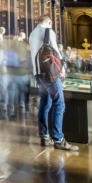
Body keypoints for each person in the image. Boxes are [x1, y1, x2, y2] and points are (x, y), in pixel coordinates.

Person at [28, 16, 77, 151]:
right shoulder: (48, 32)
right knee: (59, 104)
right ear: (49, 22)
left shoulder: (32, 33)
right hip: (50, 74)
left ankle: (44, 135)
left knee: (45, 103)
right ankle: (58, 139)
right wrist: (62, 69)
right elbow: (56, 52)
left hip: (38, 73)